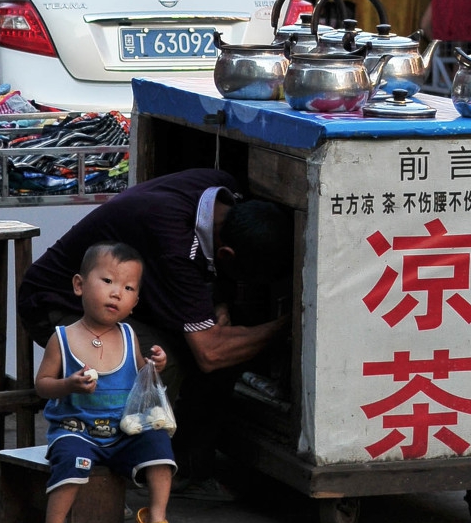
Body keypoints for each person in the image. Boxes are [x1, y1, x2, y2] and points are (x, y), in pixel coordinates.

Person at [18, 168, 293, 495]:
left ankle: (187, 463)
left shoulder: (222, 189)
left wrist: (219, 301)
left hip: (129, 299)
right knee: (160, 362)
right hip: (57, 302)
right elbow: (211, 353)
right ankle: (126, 464)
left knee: (208, 347)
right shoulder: (174, 244)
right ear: (226, 255)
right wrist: (286, 327)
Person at [32, 243, 180, 523]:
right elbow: (42, 385)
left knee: (159, 445)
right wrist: (68, 384)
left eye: (128, 288)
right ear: (79, 285)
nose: (117, 293)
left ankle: (156, 519)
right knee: (71, 459)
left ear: (135, 302)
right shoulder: (63, 338)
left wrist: (156, 365)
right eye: (108, 281)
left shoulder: (128, 335)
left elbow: (142, 376)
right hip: (77, 431)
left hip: (123, 432)